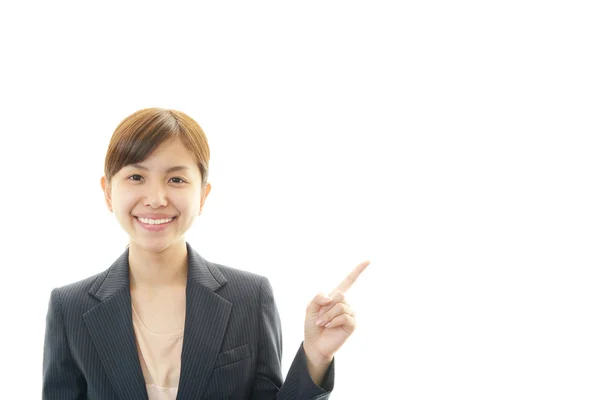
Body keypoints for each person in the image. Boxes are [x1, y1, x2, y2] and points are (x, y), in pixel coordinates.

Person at [42, 108, 369, 399]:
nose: (156, 198)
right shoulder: (70, 308)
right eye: (136, 176)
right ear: (108, 192)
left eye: (176, 179)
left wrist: (315, 356)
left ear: (203, 195)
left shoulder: (249, 297)